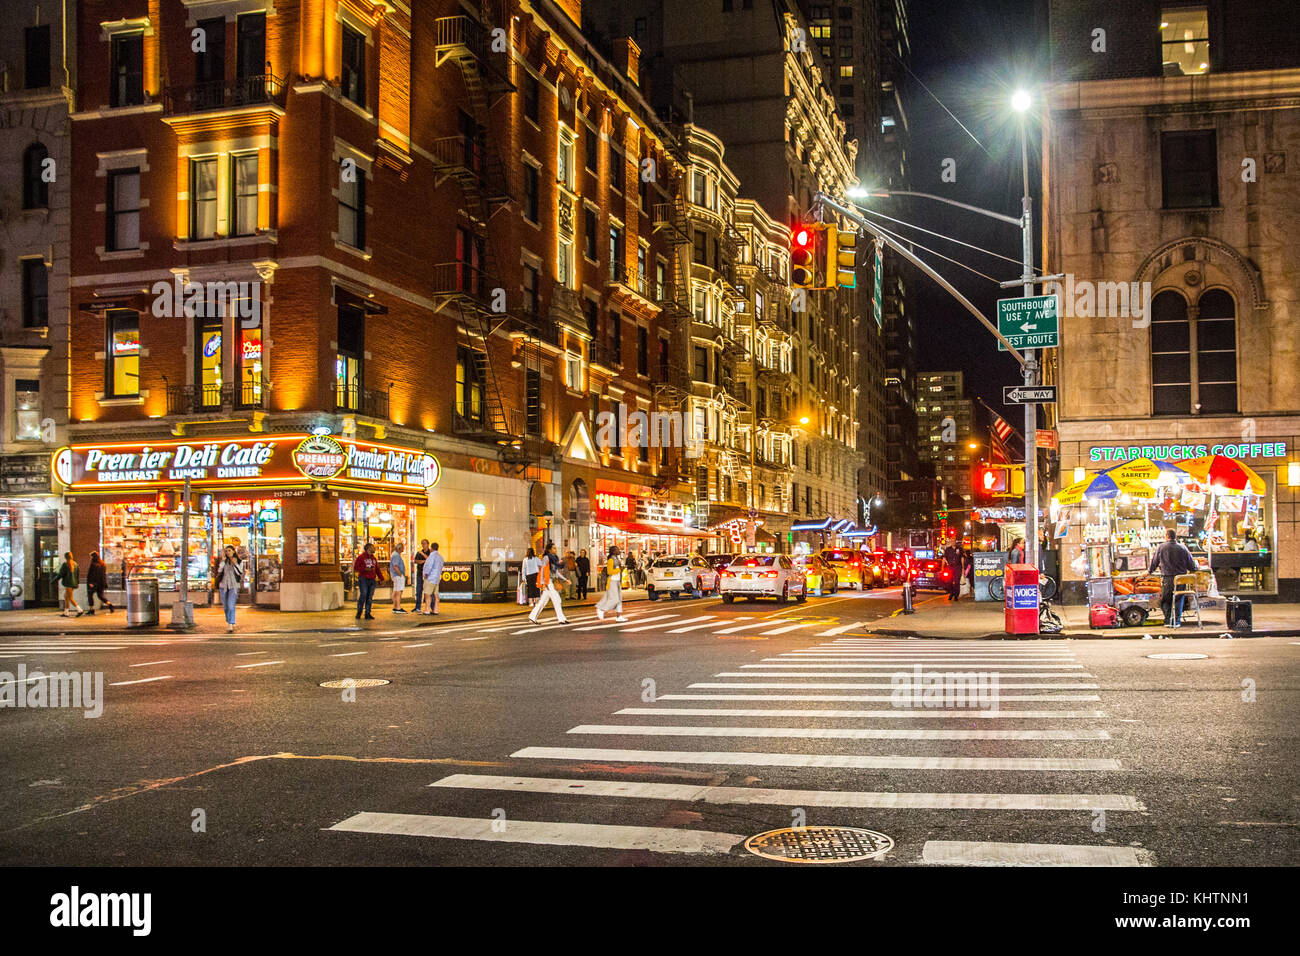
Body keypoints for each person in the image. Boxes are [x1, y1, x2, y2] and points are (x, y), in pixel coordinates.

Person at [1148, 528, 1198, 628]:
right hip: (1181, 579)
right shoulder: (1183, 548)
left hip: (1167, 578)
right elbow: (1192, 566)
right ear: (1176, 537)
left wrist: (1149, 571)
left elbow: (1154, 562)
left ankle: (1168, 621)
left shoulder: (1161, 547)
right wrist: (1196, 567)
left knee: (1166, 599)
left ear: (1166, 536)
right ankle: (1177, 621)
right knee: (1178, 599)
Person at [529, 543, 570, 624]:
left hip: (552, 581)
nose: (556, 550)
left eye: (555, 548)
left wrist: (565, 579)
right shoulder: (546, 558)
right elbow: (542, 570)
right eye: (554, 548)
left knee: (542, 602)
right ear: (549, 550)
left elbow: (556, 572)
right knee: (557, 599)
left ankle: (532, 616)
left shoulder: (554, 559)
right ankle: (561, 619)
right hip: (548, 582)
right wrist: (543, 583)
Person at [216, 544, 246, 632]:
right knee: (225, 606)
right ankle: (229, 621)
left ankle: (230, 624)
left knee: (230, 605)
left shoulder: (239, 561)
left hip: (234, 586)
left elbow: (240, 572)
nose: (228, 552)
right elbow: (219, 571)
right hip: (223, 586)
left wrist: (235, 564)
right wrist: (222, 561)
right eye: (226, 551)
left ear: (233, 551)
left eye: (229, 550)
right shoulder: (224, 561)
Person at [595, 545, 627, 622]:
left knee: (619, 600)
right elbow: (610, 572)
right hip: (612, 581)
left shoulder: (616, 559)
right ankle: (601, 609)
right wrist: (620, 569)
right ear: (614, 551)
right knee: (615, 599)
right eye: (617, 549)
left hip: (617, 581)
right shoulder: (611, 560)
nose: (619, 551)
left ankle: (619, 616)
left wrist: (620, 570)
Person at [353, 542, 379, 620]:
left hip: (372, 579)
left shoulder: (374, 558)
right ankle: (359, 612)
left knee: (369, 597)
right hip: (363, 578)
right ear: (368, 549)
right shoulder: (361, 557)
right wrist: (365, 569)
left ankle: (367, 613)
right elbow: (356, 567)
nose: (374, 548)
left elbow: (377, 569)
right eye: (372, 547)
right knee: (363, 595)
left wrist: (381, 578)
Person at [57, 552, 83, 617]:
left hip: (68, 583)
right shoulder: (75, 564)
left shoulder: (65, 564)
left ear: (65, 557)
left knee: (70, 597)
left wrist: (53, 580)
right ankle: (66, 612)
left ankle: (79, 610)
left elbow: (60, 574)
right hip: (73, 583)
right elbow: (77, 575)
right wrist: (77, 583)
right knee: (66, 596)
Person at [422, 542, 445, 614]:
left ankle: (427, 610)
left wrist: (426, 574)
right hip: (437, 578)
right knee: (436, 595)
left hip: (430, 578)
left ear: (431, 548)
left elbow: (429, 566)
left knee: (427, 594)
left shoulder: (431, 556)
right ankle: (436, 610)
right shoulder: (440, 557)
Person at [412, 539, 430, 611]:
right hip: (420, 574)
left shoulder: (430, 552)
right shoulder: (418, 553)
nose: (423, 545)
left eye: (424, 543)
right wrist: (424, 561)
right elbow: (416, 561)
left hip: (428, 575)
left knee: (428, 591)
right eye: (422, 543)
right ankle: (417, 607)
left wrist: (423, 555)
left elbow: (429, 560)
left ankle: (430, 607)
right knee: (419, 590)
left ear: (428, 544)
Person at [390, 543, 407, 613]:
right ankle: (398, 607)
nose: (403, 549)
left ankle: (395, 607)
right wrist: (400, 575)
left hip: (396, 575)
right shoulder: (396, 555)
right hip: (397, 576)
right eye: (403, 548)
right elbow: (395, 566)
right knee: (398, 591)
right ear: (399, 548)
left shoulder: (394, 554)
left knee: (396, 591)